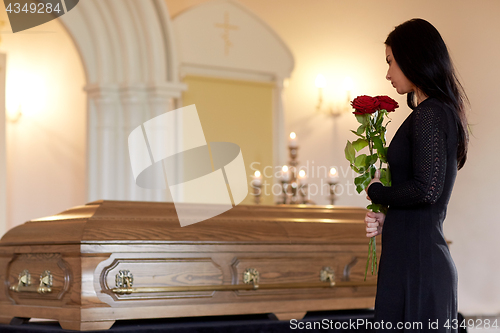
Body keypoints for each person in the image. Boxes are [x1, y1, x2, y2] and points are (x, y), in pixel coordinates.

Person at [364, 18, 469, 332]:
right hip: (412, 261)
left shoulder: (431, 113)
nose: (387, 73)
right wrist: (389, 215)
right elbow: (425, 190)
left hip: (419, 267)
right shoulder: (432, 112)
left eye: (391, 62)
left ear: (412, 58)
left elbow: (426, 190)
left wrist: (377, 192)